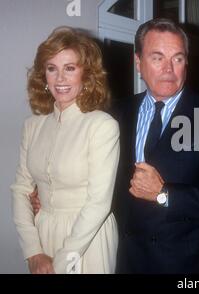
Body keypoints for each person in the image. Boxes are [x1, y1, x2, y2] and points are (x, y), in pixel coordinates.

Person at [111, 18, 199, 273]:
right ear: (138, 62)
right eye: (157, 57)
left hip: (183, 265)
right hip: (127, 260)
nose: (169, 69)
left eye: (178, 58)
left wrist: (164, 194)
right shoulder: (116, 113)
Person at [11, 27, 119, 274]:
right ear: (43, 75)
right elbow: (20, 189)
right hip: (43, 233)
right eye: (52, 68)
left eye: (70, 68)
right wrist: (33, 251)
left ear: (87, 75)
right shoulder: (32, 126)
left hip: (88, 239)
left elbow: (98, 204)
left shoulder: (102, 126)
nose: (60, 79)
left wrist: (62, 262)